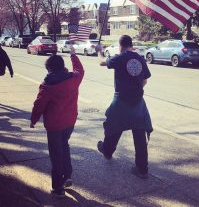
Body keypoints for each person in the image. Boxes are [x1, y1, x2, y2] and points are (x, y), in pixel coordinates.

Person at [30, 46, 84, 198]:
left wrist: (33, 120)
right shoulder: (74, 78)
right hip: (70, 122)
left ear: (49, 69)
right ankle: (67, 176)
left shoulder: (47, 86)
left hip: (54, 126)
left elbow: (39, 105)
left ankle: (58, 187)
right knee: (64, 146)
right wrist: (73, 55)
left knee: (56, 153)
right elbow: (80, 69)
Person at [96, 35, 153, 179]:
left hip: (121, 99)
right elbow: (145, 80)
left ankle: (107, 150)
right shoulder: (140, 58)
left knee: (113, 126)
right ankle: (142, 169)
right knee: (139, 132)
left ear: (121, 46)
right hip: (138, 101)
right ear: (131, 45)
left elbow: (102, 62)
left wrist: (99, 51)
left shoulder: (119, 57)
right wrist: (135, 89)